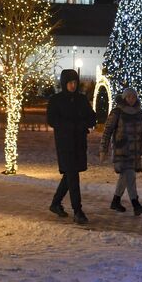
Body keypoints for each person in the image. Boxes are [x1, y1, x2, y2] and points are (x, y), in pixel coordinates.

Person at [46, 69, 97, 224]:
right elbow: (52, 120)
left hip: (79, 142)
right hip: (65, 143)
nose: (73, 85)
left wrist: (85, 124)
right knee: (73, 175)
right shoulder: (56, 99)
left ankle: (55, 203)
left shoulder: (81, 99)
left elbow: (92, 117)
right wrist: (72, 126)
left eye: (75, 82)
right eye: (70, 82)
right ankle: (78, 210)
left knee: (70, 175)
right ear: (64, 83)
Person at [99, 87, 142, 216]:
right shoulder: (117, 112)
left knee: (125, 176)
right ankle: (135, 204)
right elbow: (107, 131)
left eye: (133, 97)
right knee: (130, 175)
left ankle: (116, 201)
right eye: (129, 97)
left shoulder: (140, 113)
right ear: (124, 98)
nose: (131, 99)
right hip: (122, 150)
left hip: (136, 151)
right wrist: (103, 149)